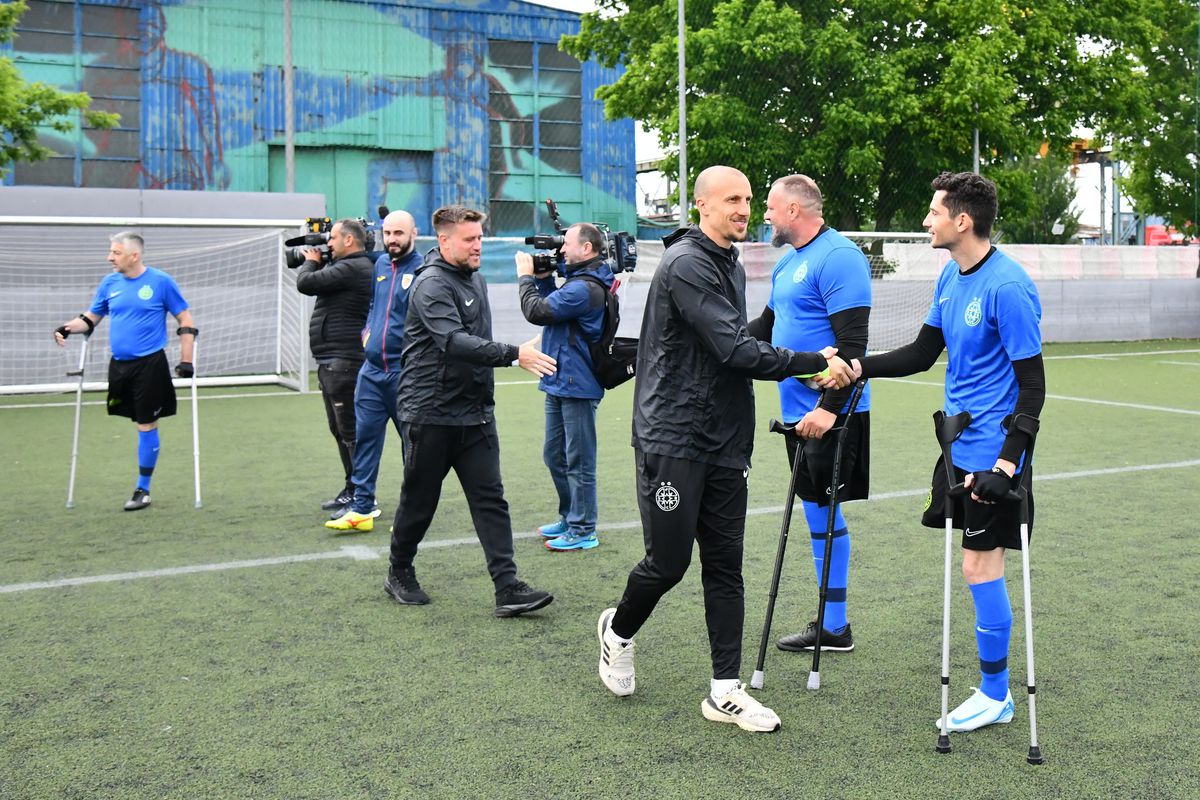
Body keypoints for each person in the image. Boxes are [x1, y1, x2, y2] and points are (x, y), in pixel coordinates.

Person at [595, 166, 855, 733]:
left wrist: (806, 354)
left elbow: (739, 341)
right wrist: (815, 362)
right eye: (732, 200)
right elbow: (735, 349)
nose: (744, 209)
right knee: (668, 564)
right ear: (702, 206)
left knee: (725, 566)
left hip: (724, 440)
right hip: (674, 438)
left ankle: (724, 690)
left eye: (747, 199)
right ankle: (617, 632)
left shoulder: (727, 263)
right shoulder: (687, 264)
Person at [852, 171, 1045, 733]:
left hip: (994, 456)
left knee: (980, 566)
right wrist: (861, 366)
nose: (926, 221)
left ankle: (995, 694)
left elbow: (1032, 388)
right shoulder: (949, 276)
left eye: (933, 212)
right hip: (957, 445)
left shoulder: (1007, 287)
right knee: (974, 567)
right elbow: (921, 352)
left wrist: (1008, 466)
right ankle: (994, 690)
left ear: (962, 221)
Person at [384, 205, 558, 618]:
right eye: (469, 239)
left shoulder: (474, 279)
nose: (477, 245)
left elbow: (475, 343)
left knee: (490, 499)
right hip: (429, 414)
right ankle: (399, 570)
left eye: (479, 238)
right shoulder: (430, 285)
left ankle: (507, 587)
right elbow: (454, 342)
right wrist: (516, 355)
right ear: (444, 241)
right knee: (420, 500)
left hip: (475, 413)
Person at [751, 174, 872, 654]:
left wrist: (828, 409)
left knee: (825, 514)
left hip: (831, 415)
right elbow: (765, 326)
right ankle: (832, 623)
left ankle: (835, 625)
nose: (765, 214)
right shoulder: (788, 264)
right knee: (814, 514)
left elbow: (853, 347)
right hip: (795, 412)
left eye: (770, 206)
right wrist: (719, 349)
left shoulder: (840, 256)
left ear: (795, 211)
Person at [53, 232, 196, 511]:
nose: (110, 257)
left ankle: (143, 488)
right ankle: (143, 485)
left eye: (116, 253)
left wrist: (186, 359)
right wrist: (66, 328)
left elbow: (185, 317)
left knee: (146, 423)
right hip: (119, 366)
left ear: (134, 255)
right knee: (133, 420)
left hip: (149, 365)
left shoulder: (161, 282)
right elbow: (90, 318)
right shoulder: (110, 283)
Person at [515, 222, 615, 551]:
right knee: (553, 455)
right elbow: (553, 310)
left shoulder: (584, 288)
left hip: (577, 382)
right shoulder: (576, 283)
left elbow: (537, 312)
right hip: (560, 379)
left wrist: (526, 278)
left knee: (579, 459)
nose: (559, 250)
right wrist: (544, 281)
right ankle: (571, 514)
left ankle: (584, 528)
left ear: (586, 249)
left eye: (566, 243)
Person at [325, 211, 422, 532]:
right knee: (365, 439)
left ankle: (413, 512)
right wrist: (367, 331)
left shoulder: (423, 271)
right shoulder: (379, 265)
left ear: (414, 234)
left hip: (404, 374)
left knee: (413, 446)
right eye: (388, 233)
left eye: (398, 233)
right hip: (371, 372)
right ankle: (362, 509)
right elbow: (374, 307)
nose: (392, 239)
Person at [295, 219, 375, 515]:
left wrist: (311, 262)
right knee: (340, 430)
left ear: (350, 241)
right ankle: (352, 488)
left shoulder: (354, 267)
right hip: (333, 361)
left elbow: (305, 283)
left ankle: (363, 494)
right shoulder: (347, 267)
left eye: (333, 238)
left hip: (345, 362)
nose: (327, 244)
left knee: (350, 431)